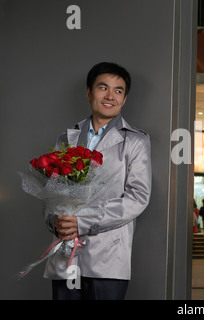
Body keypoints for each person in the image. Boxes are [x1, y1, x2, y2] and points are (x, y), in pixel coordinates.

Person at [44, 62, 152, 300]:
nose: (110, 96)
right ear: (89, 93)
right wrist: (55, 221)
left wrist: (82, 223)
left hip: (108, 258)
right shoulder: (67, 137)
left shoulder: (135, 141)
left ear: (124, 99)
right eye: (103, 88)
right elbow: (52, 190)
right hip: (66, 251)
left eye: (118, 90)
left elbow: (137, 198)